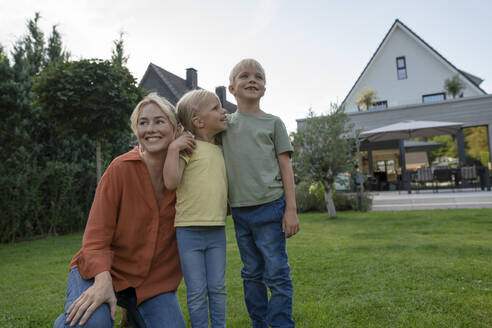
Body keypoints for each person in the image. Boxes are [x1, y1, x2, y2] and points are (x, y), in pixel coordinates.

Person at [54, 94, 195, 328]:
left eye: (159, 121)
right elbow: (95, 239)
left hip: (153, 284)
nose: (151, 129)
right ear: (136, 129)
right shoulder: (120, 169)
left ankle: (131, 315)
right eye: (143, 123)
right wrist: (101, 281)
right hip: (102, 271)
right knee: (93, 323)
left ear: (177, 128)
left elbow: (221, 200)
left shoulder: (189, 172)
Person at [221, 58, 300, 328]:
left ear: (265, 89)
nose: (252, 80)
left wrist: (291, 210)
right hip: (240, 212)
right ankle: (260, 323)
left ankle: (281, 324)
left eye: (258, 77)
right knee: (251, 273)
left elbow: (286, 168)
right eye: (244, 76)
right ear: (232, 88)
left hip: (271, 207)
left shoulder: (273, 123)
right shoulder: (224, 126)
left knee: (277, 273)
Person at [163, 90, 228, 328]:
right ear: (199, 121)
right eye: (216, 108)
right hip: (188, 230)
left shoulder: (222, 147)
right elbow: (171, 182)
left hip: (216, 230)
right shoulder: (187, 148)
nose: (224, 112)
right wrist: (173, 148)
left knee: (218, 288)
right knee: (197, 291)